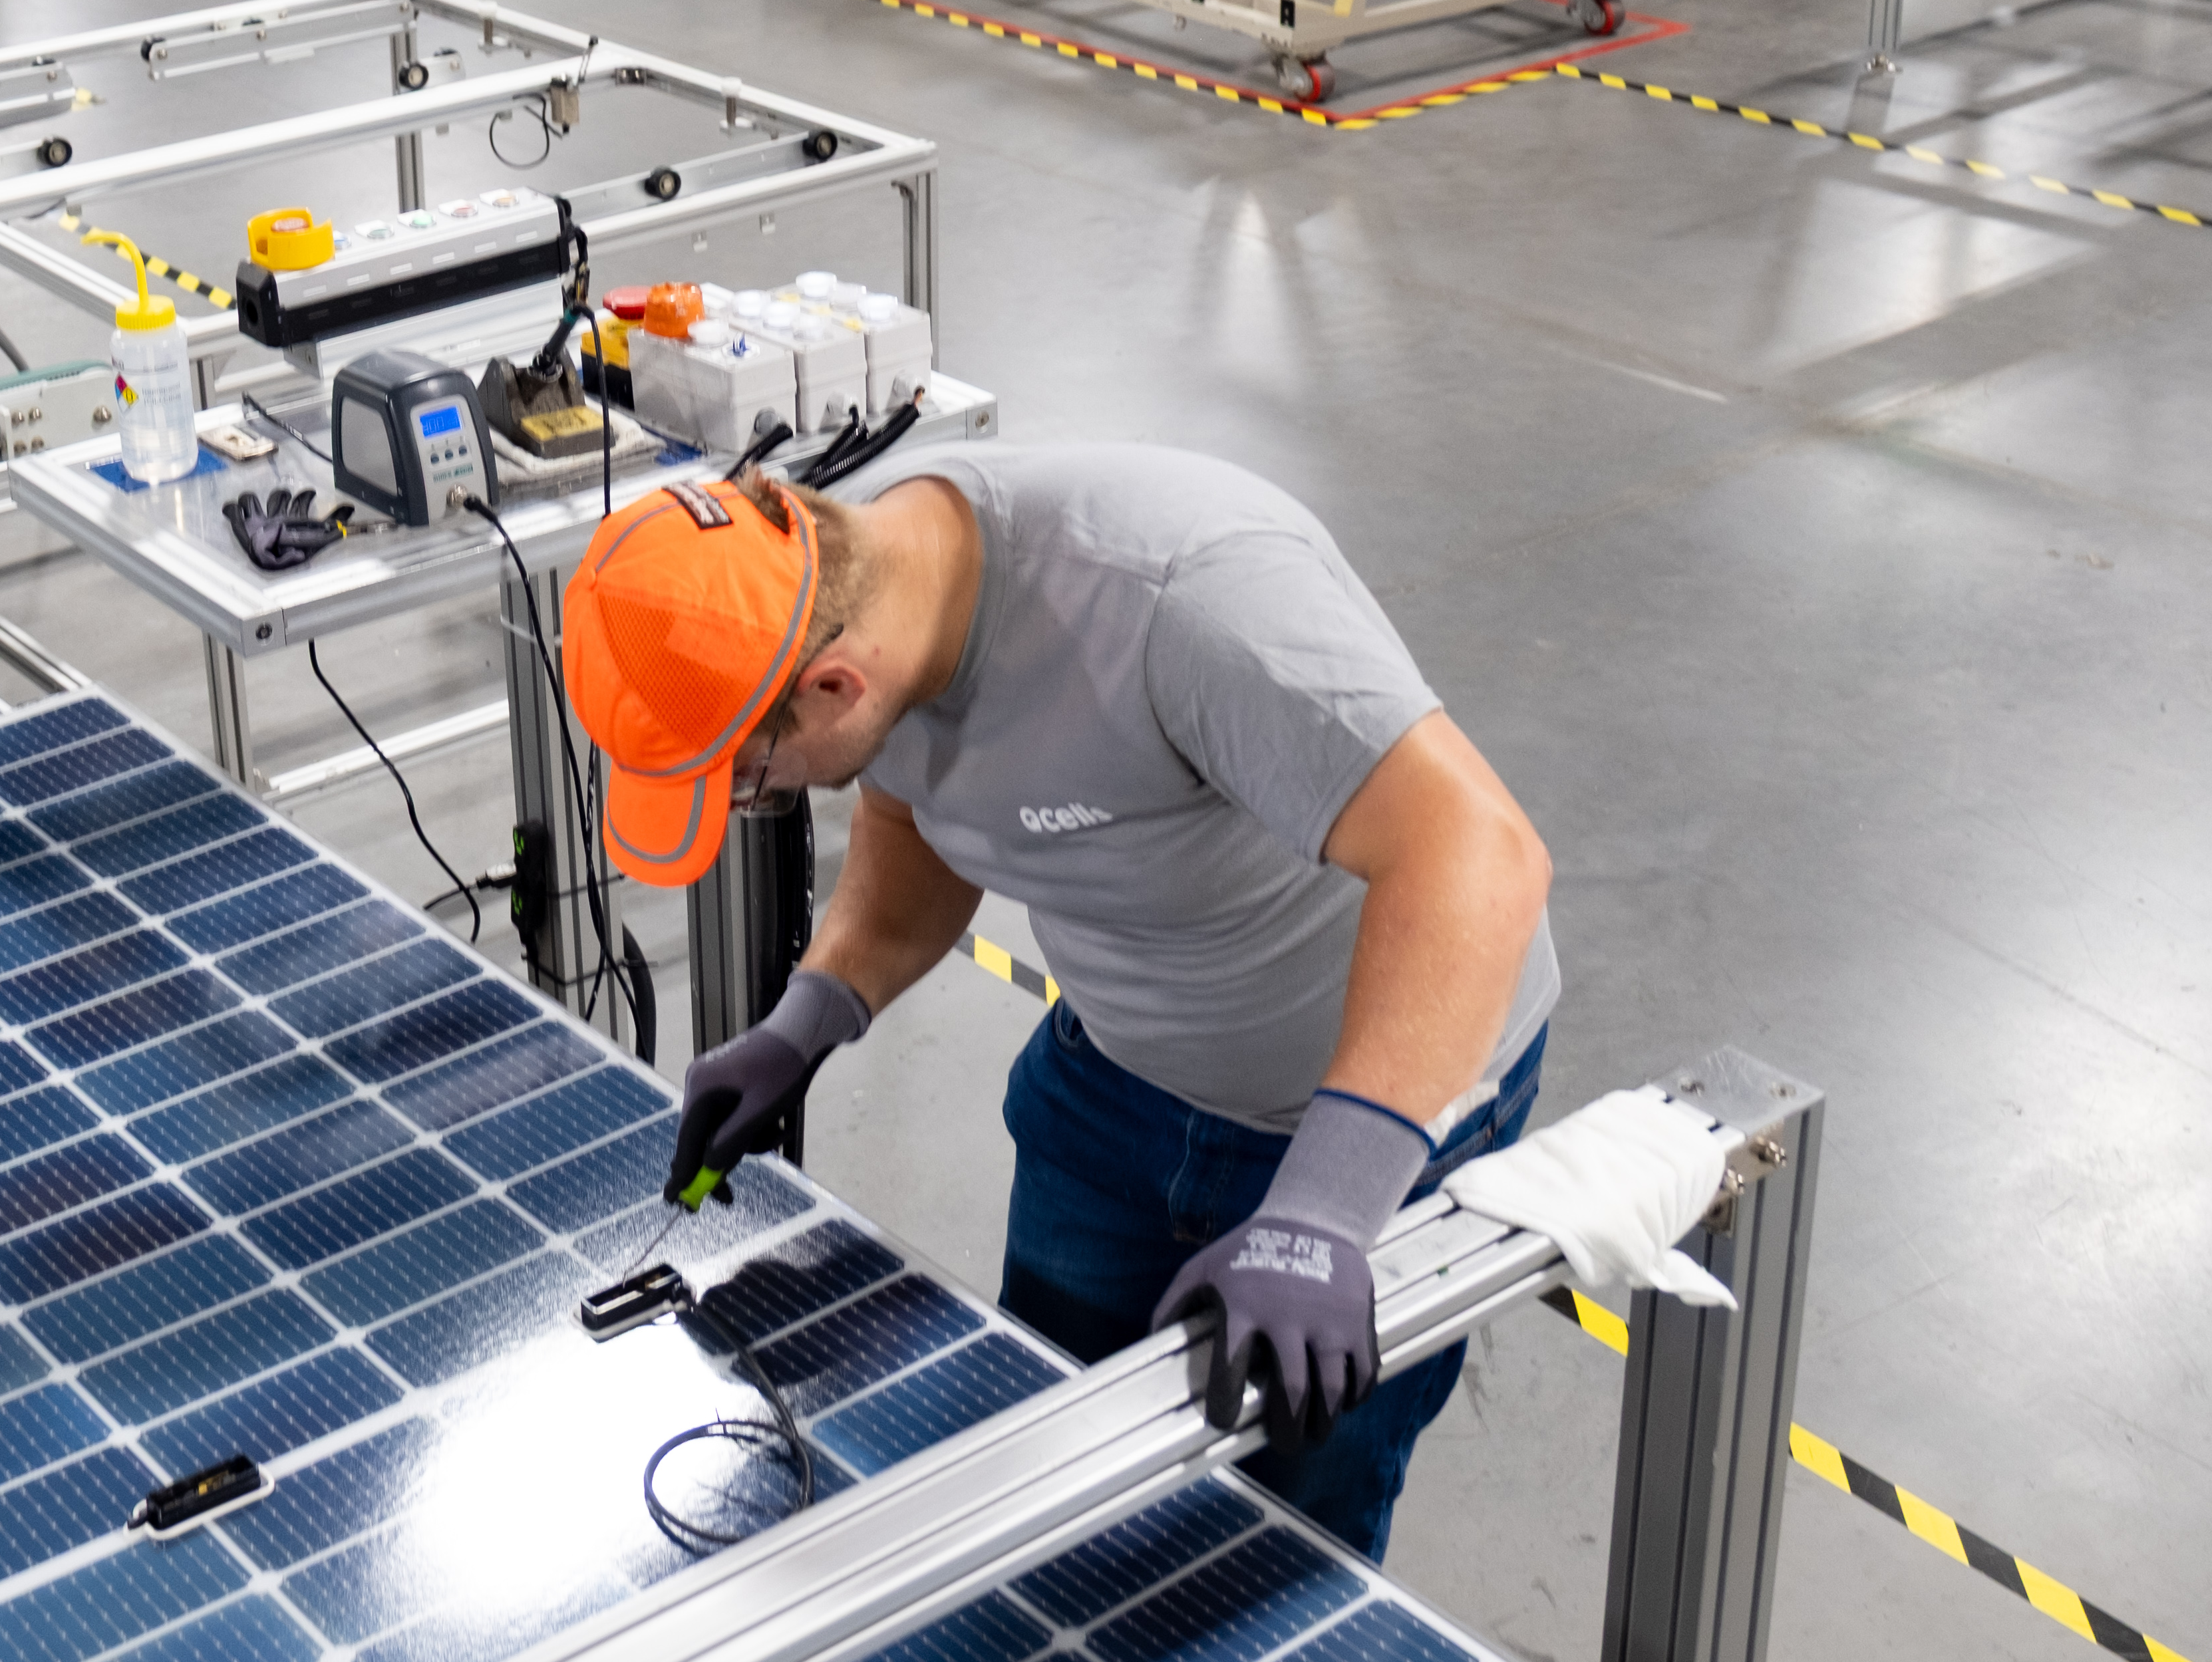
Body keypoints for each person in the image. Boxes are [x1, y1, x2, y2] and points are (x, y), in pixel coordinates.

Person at [559, 443, 1559, 1564]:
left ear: (836, 686)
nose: (755, 800)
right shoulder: (871, 595)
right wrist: (814, 1015)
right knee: (1052, 1491)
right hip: (1116, 1083)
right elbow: (916, 809)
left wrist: (1326, 1209)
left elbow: (1479, 857)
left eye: (747, 776)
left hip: (1366, 1119)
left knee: (1275, 1557)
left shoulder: (1186, 602)